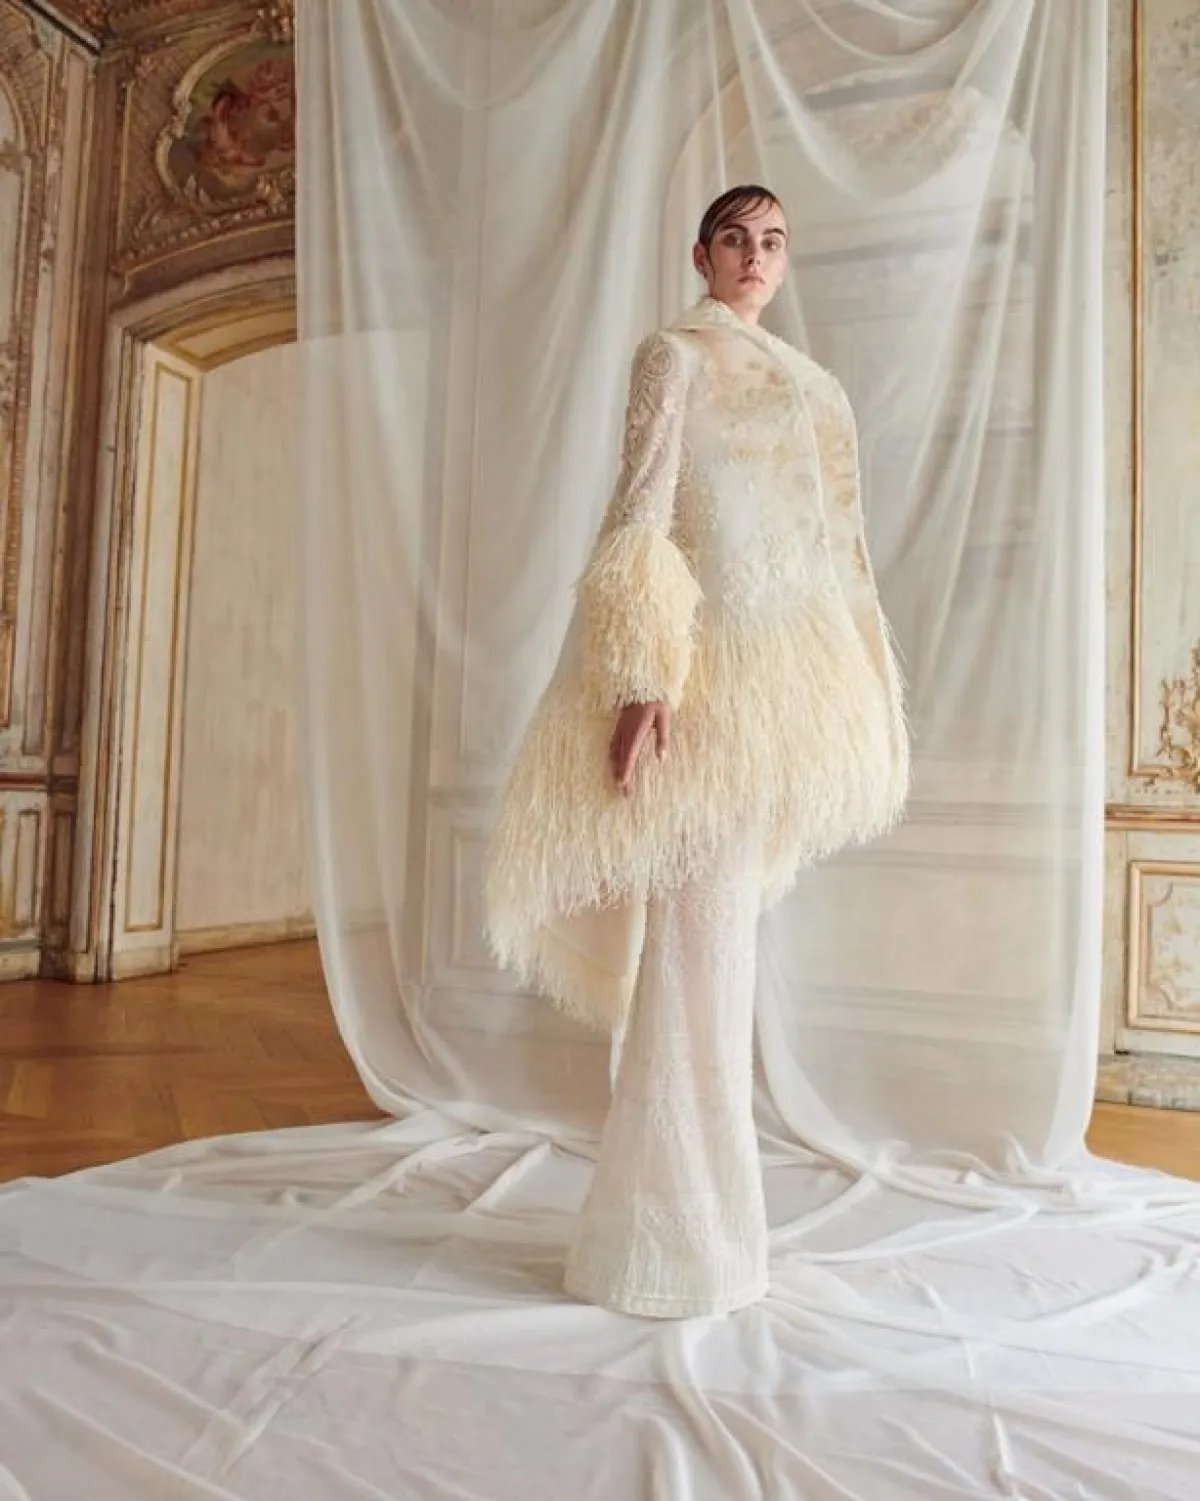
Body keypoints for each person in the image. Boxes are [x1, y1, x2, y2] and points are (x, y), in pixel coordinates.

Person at [484, 185, 910, 1318]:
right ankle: (671, 1247)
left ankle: (703, 1236)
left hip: (778, 701)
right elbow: (641, 517)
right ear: (702, 253)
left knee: (718, 960)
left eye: (772, 241)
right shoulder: (670, 357)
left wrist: (859, 689)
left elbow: (839, 550)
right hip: (699, 698)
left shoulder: (812, 385)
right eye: (736, 239)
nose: (755, 257)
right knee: (692, 961)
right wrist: (641, 677)